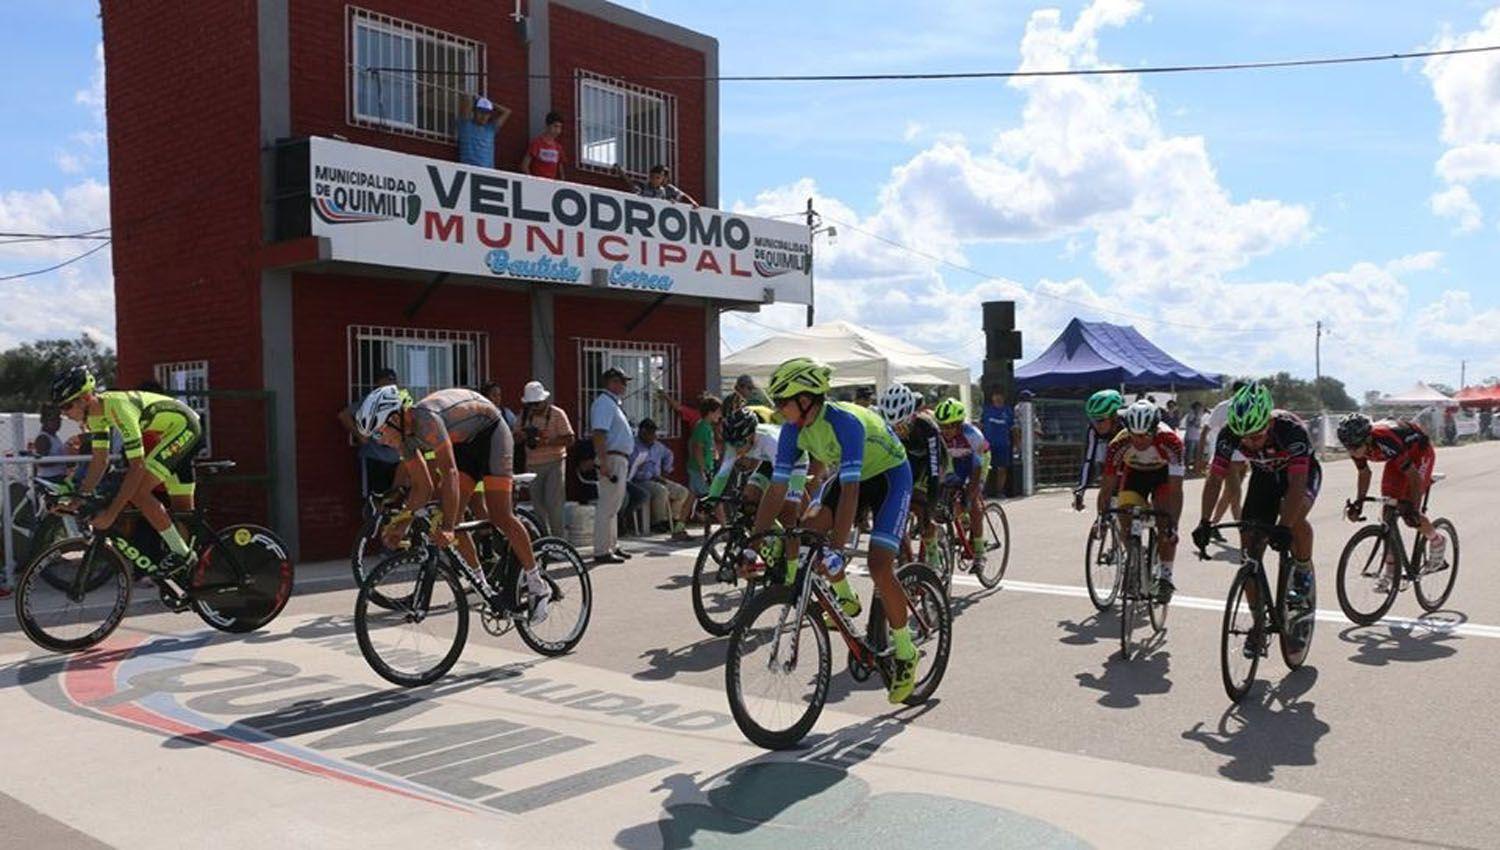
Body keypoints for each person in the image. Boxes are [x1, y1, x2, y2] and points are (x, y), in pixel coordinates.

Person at [748, 357, 917, 703]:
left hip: (889, 476)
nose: (778, 409)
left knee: (879, 565)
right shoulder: (792, 431)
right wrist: (753, 542)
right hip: (853, 476)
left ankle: (905, 651)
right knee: (810, 531)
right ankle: (845, 597)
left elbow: (852, 493)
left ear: (806, 399)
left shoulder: (846, 423)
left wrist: (838, 550)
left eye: (783, 402)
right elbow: (776, 489)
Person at [359, 385, 550, 623]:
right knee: (457, 519)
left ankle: (537, 583)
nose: (380, 440)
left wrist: (447, 526)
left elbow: (449, 472)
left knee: (499, 514)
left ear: (395, 417)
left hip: (492, 433)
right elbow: (422, 487)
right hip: (465, 443)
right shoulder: (403, 440)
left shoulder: (426, 421)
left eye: (379, 432)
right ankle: (481, 584)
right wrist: (402, 524)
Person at [1192, 382, 1320, 648]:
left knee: (1295, 519)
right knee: (1249, 553)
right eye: (1245, 439)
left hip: (1297, 475)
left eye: (1257, 436)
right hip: (1264, 476)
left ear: (1268, 424)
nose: (1250, 442)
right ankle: (1259, 624)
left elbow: (1297, 485)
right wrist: (1205, 521)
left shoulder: (1290, 430)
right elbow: (1215, 480)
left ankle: (1303, 570)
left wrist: (1284, 526)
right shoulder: (1229, 434)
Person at [52, 366, 203, 575]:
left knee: (139, 492)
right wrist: (78, 500)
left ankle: (183, 555)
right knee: (183, 513)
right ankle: (196, 575)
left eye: (67, 406)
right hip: (170, 433)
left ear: (85, 398)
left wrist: (111, 515)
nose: (64, 413)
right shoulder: (96, 416)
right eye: (60, 408)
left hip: (184, 428)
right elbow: (99, 461)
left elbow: (137, 467)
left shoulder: (119, 408)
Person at [1335, 413, 1445, 585]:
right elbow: (1364, 473)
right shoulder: (1356, 446)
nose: (1352, 451)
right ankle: (1391, 571)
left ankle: (1437, 541)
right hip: (1397, 458)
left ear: (1368, 438)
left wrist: (1413, 508)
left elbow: (1414, 478)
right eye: (1347, 447)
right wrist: (1359, 504)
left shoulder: (1386, 442)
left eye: (1356, 446)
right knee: (1387, 512)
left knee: (1409, 515)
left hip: (1420, 452)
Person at [1096, 400, 1184, 602]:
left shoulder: (1171, 441)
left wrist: (1174, 524)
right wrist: (1102, 517)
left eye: (1144, 435)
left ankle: (1165, 577)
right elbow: (1107, 486)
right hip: (1135, 475)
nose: (1139, 440)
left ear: (1154, 430)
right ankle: (1135, 560)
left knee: (1164, 523)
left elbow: (1176, 490)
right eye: (1134, 434)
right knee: (1124, 512)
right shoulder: (1118, 443)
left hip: (1163, 476)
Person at [705, 409, 808, 568]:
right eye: (732, 444)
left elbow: (780, 485)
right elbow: (722, 475)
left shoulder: (770, 441)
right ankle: (773, 537)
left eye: (740, 444)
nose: (736, 449)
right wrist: (710, 499)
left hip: (794, 462)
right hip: (769, 462)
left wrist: (770, 510)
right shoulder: (736, 441)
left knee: (787, 513)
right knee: (749, 499)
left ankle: (794, 567)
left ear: (752, 435)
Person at [879, 383, 947, 566]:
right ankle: (904, 556)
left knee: (921, 507)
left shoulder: (927, 427)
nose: (899, 431)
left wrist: (930, 506)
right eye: (894, 427)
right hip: (908, 463)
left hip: (931, 464)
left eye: (902, 424)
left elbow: (934, 469)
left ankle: (934, 559)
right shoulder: (884, 430)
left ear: (912, 415)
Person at [933, 398, 991, 574]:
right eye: (942, 426)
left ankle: (980, 554)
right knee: (946, 494)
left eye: (950, 426)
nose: (945, 430)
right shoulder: (938, 435)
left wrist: (970, 495)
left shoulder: (973, 435)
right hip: (956, 461)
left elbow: (976, 468)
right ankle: (963, 520)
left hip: (977, 462)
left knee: (972, 503)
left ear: (959, 424)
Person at [590, 367, 635, 565]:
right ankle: (601, 550)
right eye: (621, 381)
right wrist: (604, 462)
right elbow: (599, 433)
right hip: (612, 457)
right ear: (611, 382)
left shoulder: (612, 404)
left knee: (613, 505)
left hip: (618, 458)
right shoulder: (604, 404)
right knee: (607, 505)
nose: (624, 386)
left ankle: (612, 545)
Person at [517, 380, 572, 537]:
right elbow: (515, 437)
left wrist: (547, 441)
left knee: (554, 504)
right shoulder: (524, 416)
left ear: (545, 400)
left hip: (555, 462)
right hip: (533, 465)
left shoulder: (557, 414)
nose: (534, 407)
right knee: (538, 506)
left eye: (537, 404)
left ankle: (558, 541)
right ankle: (545, 541)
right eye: (531, 404)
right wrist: (522, 436)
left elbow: (570, 439)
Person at [338, 368, 402, 499]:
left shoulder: (400, 402)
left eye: (392, 382)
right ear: (378, 383)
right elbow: (344, 415)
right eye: (386, 382)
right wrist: (360, 436)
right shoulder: (370, 400)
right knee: (374, 497)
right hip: (375, 457)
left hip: (397, 458)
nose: (390, 385)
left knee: (396, 497)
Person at [1201, 381, 1249, 539]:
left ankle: (1213, 524)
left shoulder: (1248, 406)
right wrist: (1200, 456)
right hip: (1227, 458)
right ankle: (1244, 530)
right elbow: (1205, 430)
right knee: (1235, 494)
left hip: (1243, 459)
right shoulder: (1223, 407)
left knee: (1228, 495)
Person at [631, 419, 692, 541]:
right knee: (661, 490)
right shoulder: (634, 446)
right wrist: (650, 475)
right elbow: (632, 470)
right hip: (640, 481)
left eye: (654, 433)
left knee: (682, 492)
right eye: (650, 433)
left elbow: (669, 454)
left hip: (658, 478)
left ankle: (674, 519)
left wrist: (667, 468)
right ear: (642, 432)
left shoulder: (658, 446)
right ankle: (659, 521)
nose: (653, 436)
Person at [1072, 389, 1125, 512]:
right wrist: (1081, 490)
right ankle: (1102, 523)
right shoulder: (1093, 430)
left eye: (1101, 419)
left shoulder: (1126, 425)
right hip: (1110, 465)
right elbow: (1088, 460)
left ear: (1114, 417)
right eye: (1093, 419)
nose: (1097, 424)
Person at [611, 163, 699, 207]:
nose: (654, 180)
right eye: (652, 177)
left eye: (658, 177)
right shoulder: (643, 186)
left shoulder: (666, 189)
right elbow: (631, 184)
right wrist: (621, 173)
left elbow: (681, 195)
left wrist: (693, 203)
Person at [457, 95, 509, 168]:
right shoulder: (466, 125)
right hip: (468, 168)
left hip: (487, 171)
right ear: (474, 111)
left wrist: (490, 103)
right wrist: (477, 99)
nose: (484, 116)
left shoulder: (490, 129)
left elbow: (506, 112)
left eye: (487, 113)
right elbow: (466, 98)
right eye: (481, 112)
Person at [980, 387, 1014, 499]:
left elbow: (1013, 428)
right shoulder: (986, 410)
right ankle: (983, 491)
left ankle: (1000, 491)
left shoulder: (1008, 411)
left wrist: (1017, 444)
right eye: (995, 395)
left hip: (1003, 445)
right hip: (988, 444)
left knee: (1002, 469)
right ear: (992, 397)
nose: (998, 398)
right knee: (985, 469)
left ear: (1003, 397)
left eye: (1000, 395)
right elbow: (980, 425)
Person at [520, 111, 566, 180]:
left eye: (560, 128)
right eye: (555, 126)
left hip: (551, 184)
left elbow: (561, 170)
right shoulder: (537, 143)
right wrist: (532, 180)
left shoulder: (558, 147)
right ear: (547, 126)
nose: (558, 131)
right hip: (537, 182)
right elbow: (524, 165)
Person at [31, 404, 70, 482]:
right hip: (50, 479)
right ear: (43, 421)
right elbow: (41, 462)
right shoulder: (43, 438)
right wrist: (65, 460)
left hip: (59, 477)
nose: (57, 422)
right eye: (53, 420)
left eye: (59, 419)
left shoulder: (54, 436)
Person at [1183, 401, 1204, 473]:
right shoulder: (1191, 414)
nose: (1200, 409)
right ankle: (1187, 468)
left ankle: (1195, 468)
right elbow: (1191, 423)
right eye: (1199, 407)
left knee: (1196, 454)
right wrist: (1196, 416)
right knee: (1189, 454)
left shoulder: (1199, 415)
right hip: (1190, 437)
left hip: (1197, 437)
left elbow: (1199, 425)